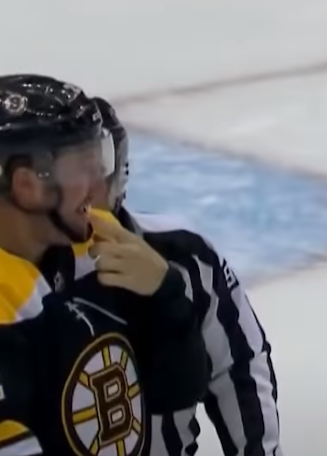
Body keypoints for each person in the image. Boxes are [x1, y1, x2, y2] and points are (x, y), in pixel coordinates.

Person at [0, 74, 208, 456]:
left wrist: (166, 299)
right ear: (28, 185)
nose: (99, 183)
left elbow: (175, 390)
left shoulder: (89, 244)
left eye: (99, 159)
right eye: (82, 166)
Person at [77, 97, 282, 456]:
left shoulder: (185, 256)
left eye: (96, 168)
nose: (82, 188)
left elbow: (239, 368)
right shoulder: (8, 272)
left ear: (118, 176)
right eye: (67, 170)